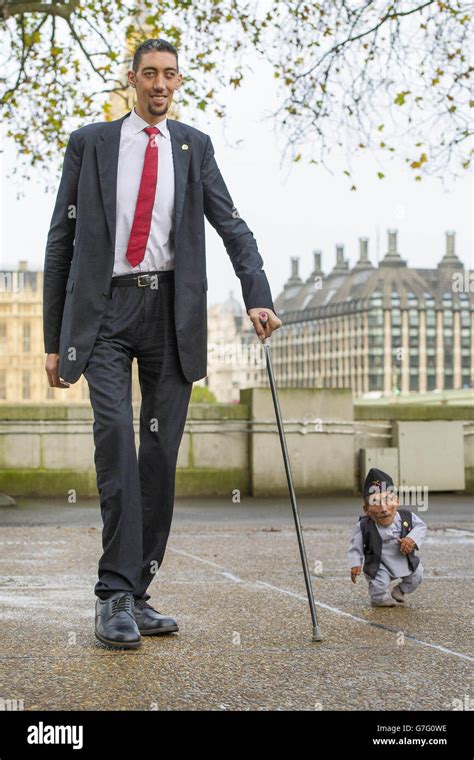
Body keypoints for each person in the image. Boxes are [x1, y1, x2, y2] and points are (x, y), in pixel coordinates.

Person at [43, 38, 282, 649]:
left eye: (169, 75)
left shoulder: (194, 147)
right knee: (116, 443)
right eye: (149, 73)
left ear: (177, 83)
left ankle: (138, 588)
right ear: (132, 79)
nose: (159, 84)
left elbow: (232, 224)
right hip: (104, 312)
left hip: (171, 313)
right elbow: (60, 244)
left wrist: (257, 294)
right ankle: (112, 595)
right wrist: (54, 338)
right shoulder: (91, 143)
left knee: (158, 456)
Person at [347, 468, 427, 608]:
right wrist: (355, 564)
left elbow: (421, 527)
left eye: (388, 500)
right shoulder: (364, 525)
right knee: (379, 583)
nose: (383, 508)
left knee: (417, 575)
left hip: (404, 559)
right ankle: (379, 598)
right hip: (380, 564)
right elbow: (356, 547)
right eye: (376, 502)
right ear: (366, 509)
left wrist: (411, 539)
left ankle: (400, 591)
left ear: (396, 501)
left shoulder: (406, 517)